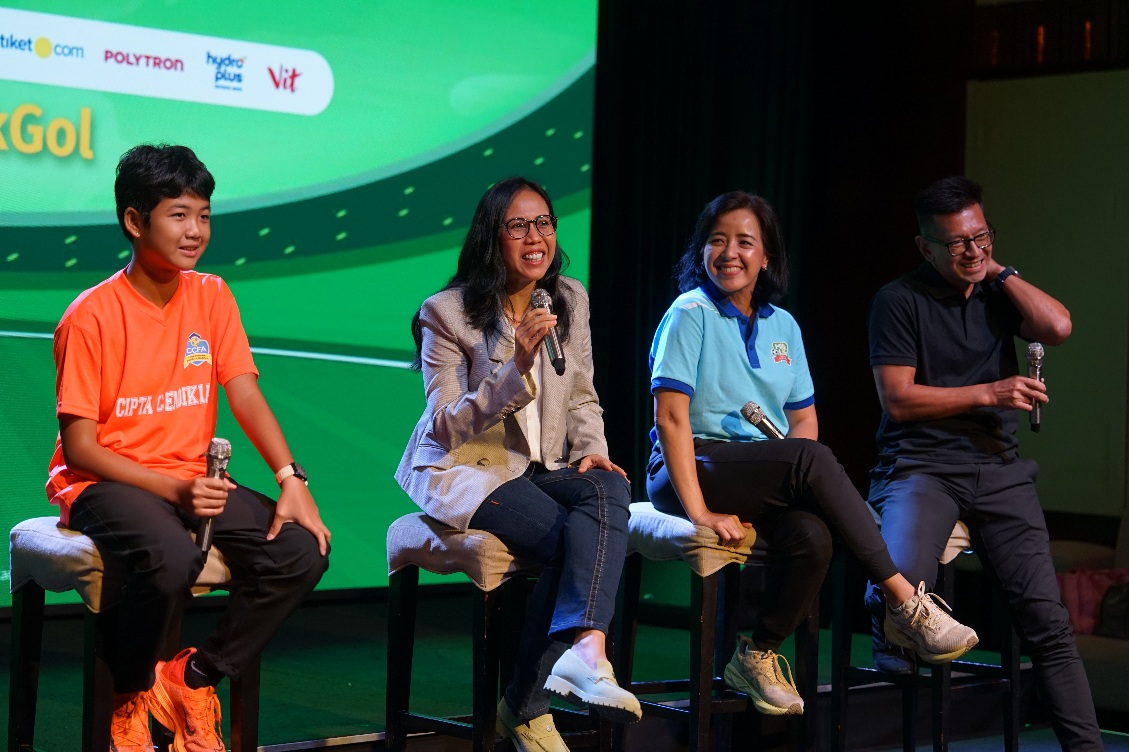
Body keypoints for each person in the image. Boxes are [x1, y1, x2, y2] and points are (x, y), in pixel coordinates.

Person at [646, 190, 978, 717]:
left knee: (814, 537)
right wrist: (700, 512)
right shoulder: (690, 313)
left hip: (760, 470)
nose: (729, 253)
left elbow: (802, 420)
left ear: (767, 257)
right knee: (810, 459)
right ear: (701, 250)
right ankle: (903, 602)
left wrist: (799, 479)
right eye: (716, 240)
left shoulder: (784, 326)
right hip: (688, 465)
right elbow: (671, 419)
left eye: (744, 242)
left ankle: (756, 653)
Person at [47, 144, 331, 752]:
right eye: (178, 215)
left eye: (203, 215)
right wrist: (176, 490)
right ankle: (130, 692)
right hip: (105, 482)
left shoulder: (211, 295)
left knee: (302, 551)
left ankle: (193, 677)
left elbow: (244, 393)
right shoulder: (90, 316)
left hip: (188, 478)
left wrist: (290, 477)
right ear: (134, 220)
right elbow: (80, 448)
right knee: (174, 558)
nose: (195, 231)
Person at [395, 176, 641, 752]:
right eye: (519, 226)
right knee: (568, 541)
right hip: (468, 467)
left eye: (544, 223)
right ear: (492, 238)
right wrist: (517, 364)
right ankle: (527, 706)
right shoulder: (446, 313)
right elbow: (444, 424)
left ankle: (589, 651)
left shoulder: (567, 298)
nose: (536, 238)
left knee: (608, 489)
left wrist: (593, 449)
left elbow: (582, 394)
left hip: (542, 464)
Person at [865, 175, 1102, 749]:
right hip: (922, 464)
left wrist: (998, 270)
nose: (973, 250)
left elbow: (1058, 327)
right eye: (957, 243)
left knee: (1049, 624)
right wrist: (990, 393)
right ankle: (886, 625)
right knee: (902, 586)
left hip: (999, 470)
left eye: (982, 236)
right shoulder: (899, 299)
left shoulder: (997, 290)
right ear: (924, 246)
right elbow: (898, 400)